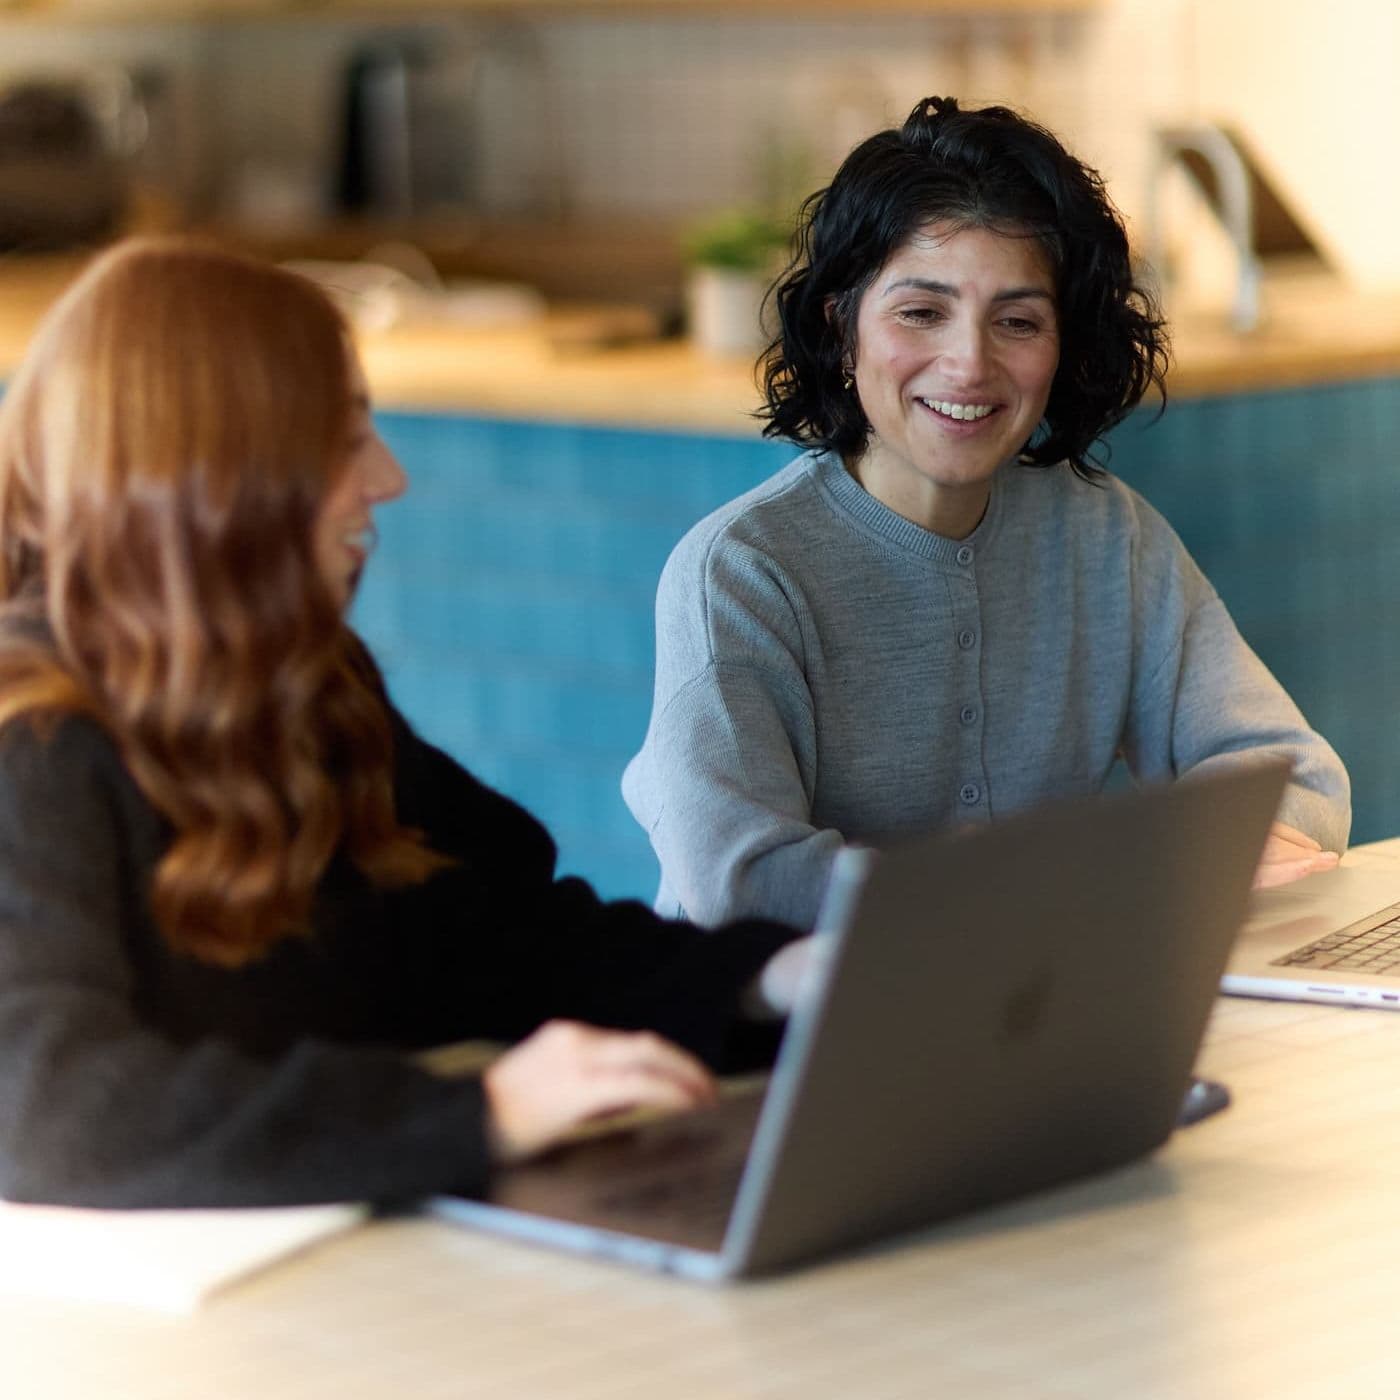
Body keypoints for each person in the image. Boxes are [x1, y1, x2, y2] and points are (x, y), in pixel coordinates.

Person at [0, 236, 810, 1210]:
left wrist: (765, 977)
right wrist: (479, 1113)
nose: (386, 477)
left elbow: (489, 933)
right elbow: (43, 1105)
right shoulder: (33, 750)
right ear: (213, 477)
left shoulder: (305, 684)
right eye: (341, 440)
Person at [623, 96, 1350, 931]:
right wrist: (1045, 889)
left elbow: (1301, 779)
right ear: (840, 326)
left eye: (1017, 321)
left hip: (1021, 1021)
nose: (969, 363)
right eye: (921, 312)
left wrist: (1203, 854)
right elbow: (740, 880)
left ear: (1063, 344)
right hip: (776, 1038)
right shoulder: (741, 573)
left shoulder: (1106, 536)